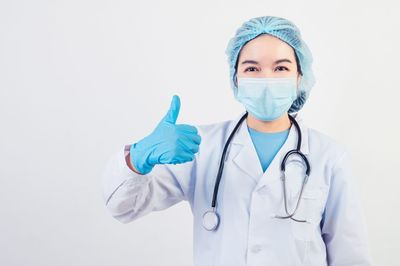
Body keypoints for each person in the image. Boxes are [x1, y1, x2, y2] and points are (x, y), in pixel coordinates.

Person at [102, 15, 373, 266]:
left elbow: (351, 255)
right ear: (236, 78)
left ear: (299, 77)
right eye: (252, 68)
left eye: (281, 68)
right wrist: (138, 159)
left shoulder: (329, 156)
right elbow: (122, 208)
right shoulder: (201, 147)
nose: (267, 79)